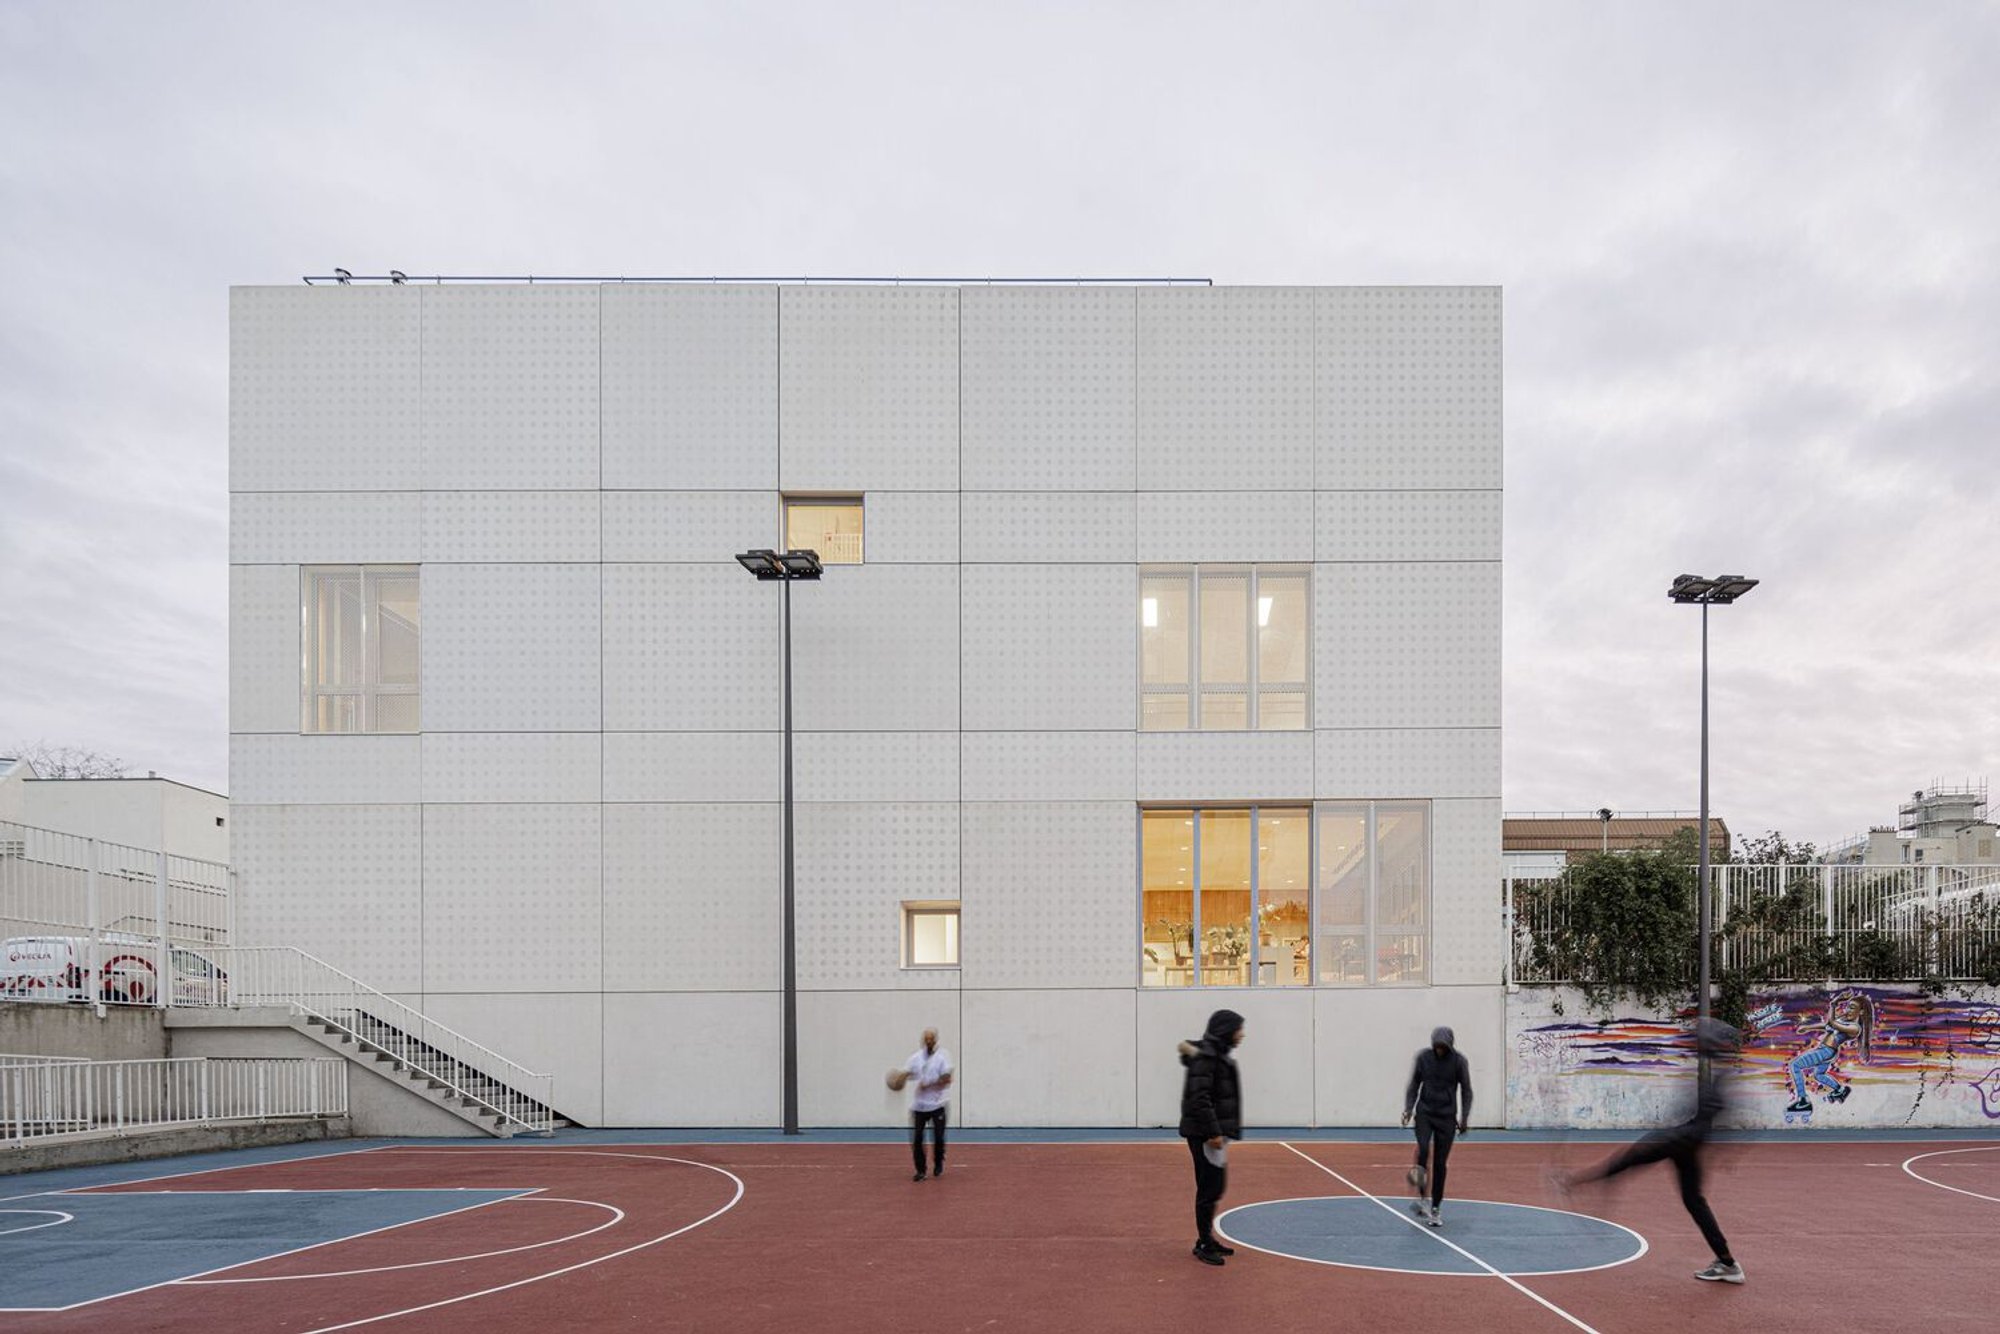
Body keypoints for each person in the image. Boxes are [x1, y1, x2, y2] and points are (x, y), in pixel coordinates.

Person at [1562, 1017, 1745, 1284]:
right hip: (1689, 1141)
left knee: (1628, 1159)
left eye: (1701, 1040)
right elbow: (1720, 1115)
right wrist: (1723, 1150)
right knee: (1693, 1201)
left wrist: (1725, 1150)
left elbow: (1720, 1113)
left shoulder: (1718, 1073)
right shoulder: (1717, 1071)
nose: (1695, 1043)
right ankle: (1728, 1262)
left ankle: (1575, 1183)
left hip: (1682, 1138)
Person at [1177, 1009, 1245, 1266]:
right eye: (1239, 1029)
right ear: (1226, 1030)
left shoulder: (1215, 1056)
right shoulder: (1207, 1058)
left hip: (1211, 1134)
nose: (1242, 1035)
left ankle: (1207, 1237)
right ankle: (1204, 1242)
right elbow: (1200, 1099)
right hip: (1206, 1135)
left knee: (1215, 1186)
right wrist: (1214, 1131)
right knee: (1209, 1188)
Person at [1400, 1025, 1472, 1227]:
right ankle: (1422, 1197)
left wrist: (1465, 1117)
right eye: (1437, 1046)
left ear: (1449, 1045)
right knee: (1423, 1150)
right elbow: (1414, 1084)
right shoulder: (1423, 1058)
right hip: (1425, 1113)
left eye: (1443, 1046)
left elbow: (1467, 1090)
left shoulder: (1459, 1062)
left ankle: (1435, 1208)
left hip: (1446, 1117)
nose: (1440, 1050)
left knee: (1440, 1163)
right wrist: (1408, 1109)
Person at [903, 1028, 953, 1182]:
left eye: (931, 1039)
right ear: (923, 1041)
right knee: (917, 1139)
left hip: (937, 1104)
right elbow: (907, 1073)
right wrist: (899, 1078)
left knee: (938, 1138)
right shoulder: (915, 1058)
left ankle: (938, 1162)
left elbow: (947, 1079)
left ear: (935, 1040)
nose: (929, 1041)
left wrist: (929, 1084)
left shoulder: (942, 1058)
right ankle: (921, 1170)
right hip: (919, 1106)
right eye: (926, 1039)